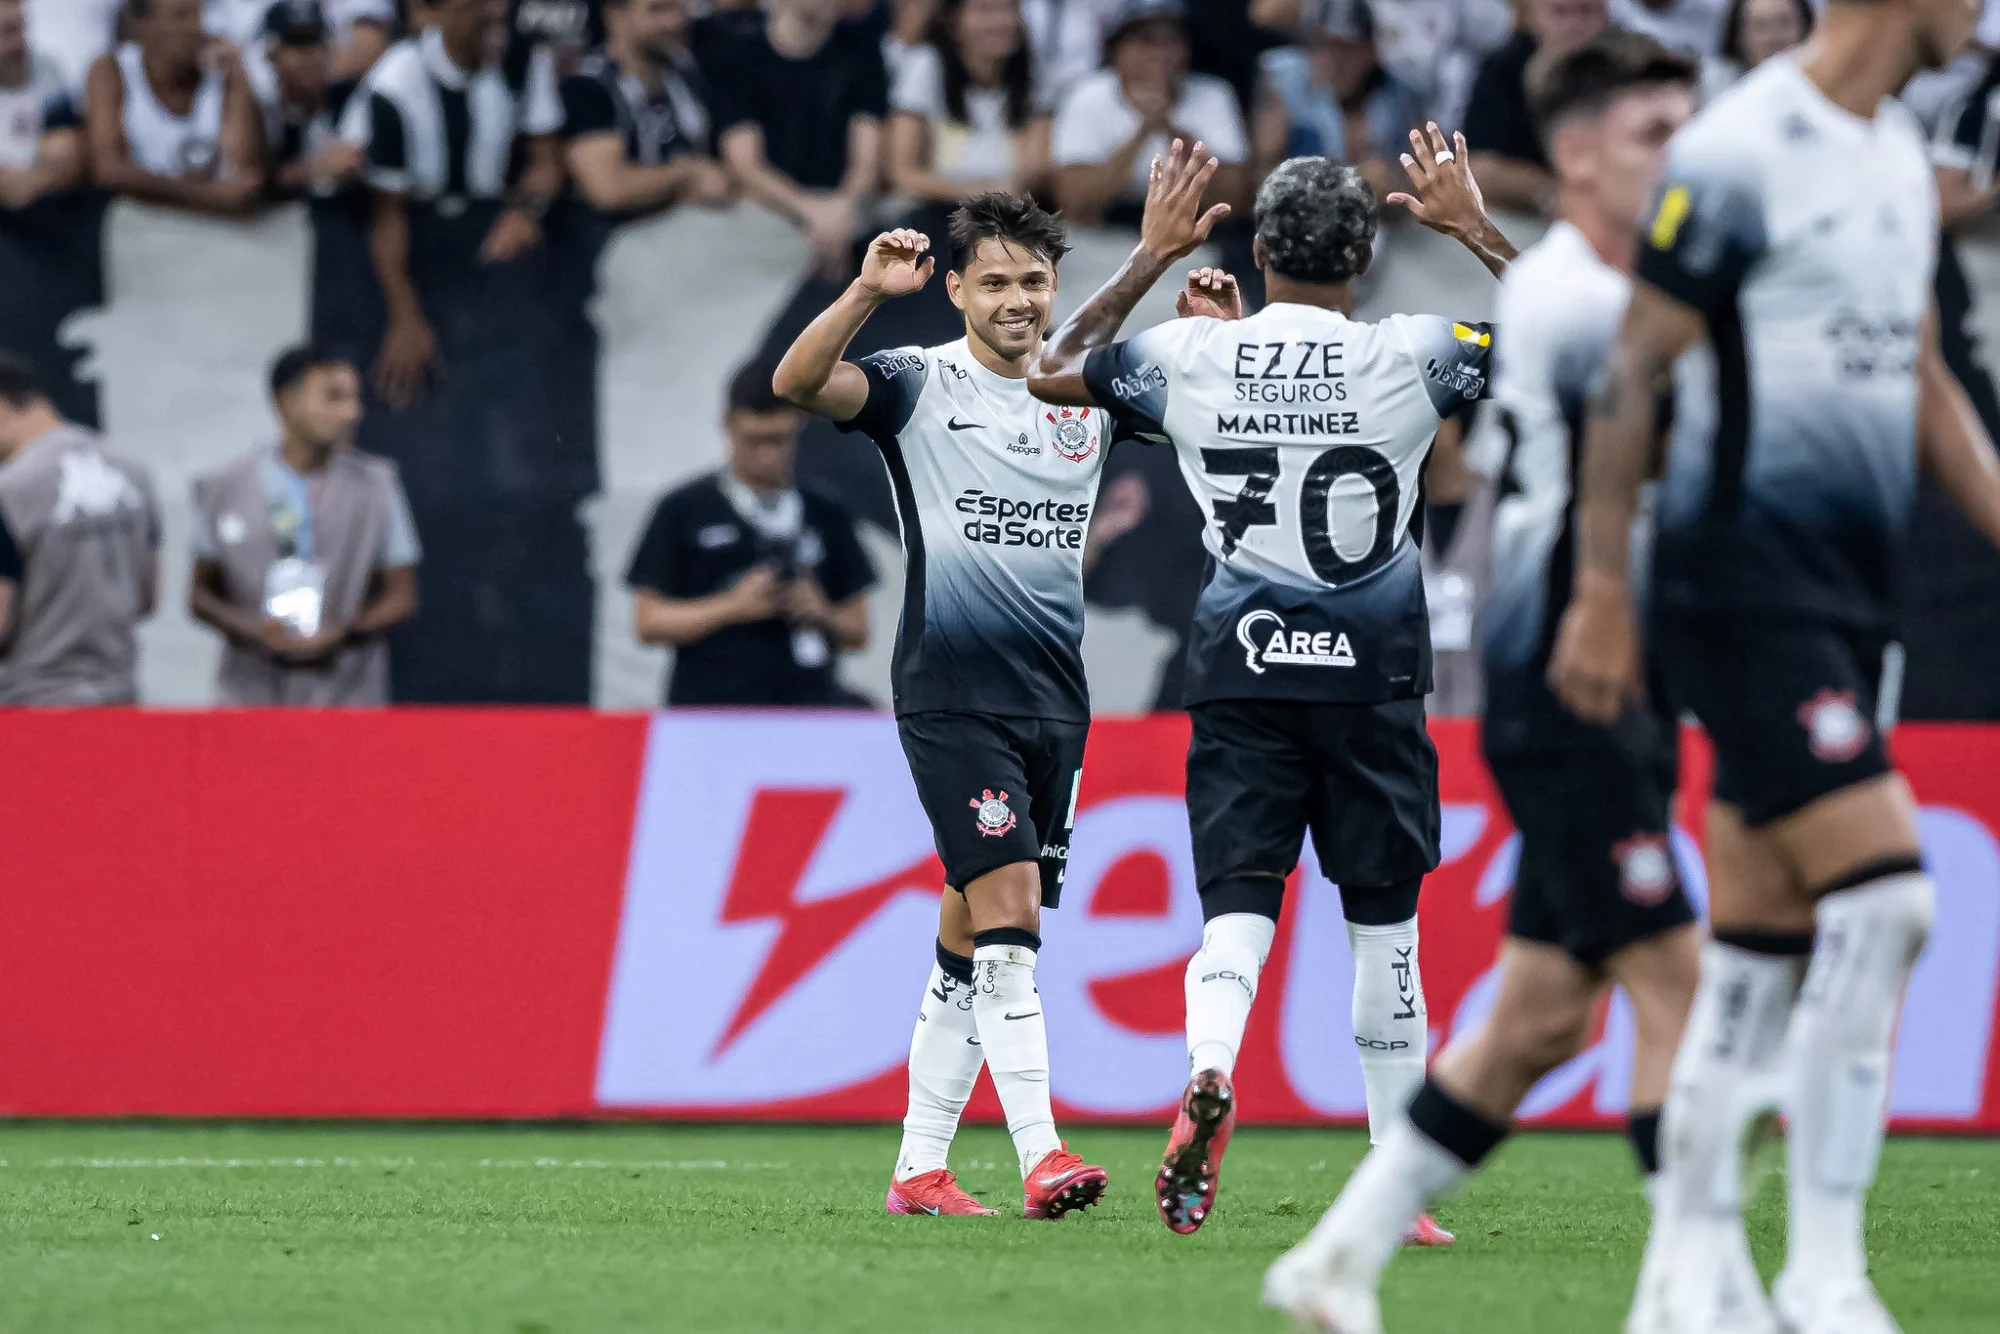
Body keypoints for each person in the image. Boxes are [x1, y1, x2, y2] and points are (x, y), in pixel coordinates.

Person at [1546, 0, 2000, 1328]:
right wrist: (1604, 586)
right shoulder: (1741, 146)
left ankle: (1681, 1287)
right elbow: (1634, 370)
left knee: (1752, 964)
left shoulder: (1900, 152)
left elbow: (1920, 376)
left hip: (1853, 597)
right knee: (1890, 901)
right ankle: (1823, 1273)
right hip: (1739, 583)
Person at [1254, 34, 1704, 1333]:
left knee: (1540, 1020)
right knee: (1683, 988)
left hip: (1602, 665)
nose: (1682, 158)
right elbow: (1630, 369)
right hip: (1567, 665)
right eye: (1653, 132)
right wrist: (1486, 233)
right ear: (1578, 155)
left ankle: (1334, 1258)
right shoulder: (1571, 293)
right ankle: (1691, 1296)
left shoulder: (1590, 285)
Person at [1028, 133, 1515, 1244]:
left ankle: (1207, 1067)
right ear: (1365, 255)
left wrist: (1149, 256)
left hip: (1238, 670)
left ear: (1253, 245)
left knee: (1238, 908)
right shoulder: (1414, 349)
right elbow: (1585, 341)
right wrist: (1470, 226)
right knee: (1383, 930)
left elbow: (1051, 365)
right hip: (1372, 679)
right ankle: (1398, 1186)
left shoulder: (1191, 357)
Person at [772, 193, 1113, 1221]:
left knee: (971, 931)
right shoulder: (920, 379)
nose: (1017, 299)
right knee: (1009, 914)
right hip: (950, 691)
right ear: (957, 287)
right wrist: (868, 292)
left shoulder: (1085, 391)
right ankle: (1041, 1150)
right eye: (996, 281)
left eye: (1034, 281)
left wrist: (1192, 307)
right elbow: (792, 383)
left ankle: (918, 1168)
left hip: (1056, 701)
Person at [341, 0, 565, 408]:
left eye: (499, 11)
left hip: (492, 215)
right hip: (419, 221)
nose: (493, 17)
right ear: (432, 15)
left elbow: (545, 161)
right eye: (476, 9)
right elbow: (387, 212)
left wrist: (524, 210)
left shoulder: (522, 59)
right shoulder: (393, 86)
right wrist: (404, 314)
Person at [627, 362, 875, 707]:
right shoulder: (683, 509)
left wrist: (819, 612)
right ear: (728, 425)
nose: (767, 455)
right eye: (754, 440)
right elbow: (648, 623)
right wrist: (733, 606)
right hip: (708, 711)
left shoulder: (826, 511)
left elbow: (858, 631)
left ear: (797, 425)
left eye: (778, 440)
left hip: (809, 710)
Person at [189, 346, 421, 706]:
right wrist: (253, 631)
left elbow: (401, 596)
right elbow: (201, 595)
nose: (352, 412)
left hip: (348, 696)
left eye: (355, 398)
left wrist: (344, 633)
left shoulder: (377, 485)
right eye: (333, 397)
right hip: (250, 696)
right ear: (286, 402)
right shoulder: (225, 487)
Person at [0, 353, 160, 706]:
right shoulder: (134, 473)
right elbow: (147, 598)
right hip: (119, 696)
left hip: (31, 703)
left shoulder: (9, 491)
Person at [709, 0, 888, 280]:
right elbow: (745, 164)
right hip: (769, 213)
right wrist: (812, 211)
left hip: (843, 209)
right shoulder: (738, 55)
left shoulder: (862, 49)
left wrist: (841, 209)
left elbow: (866, 163)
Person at [1049, 0, 1249, 227]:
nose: (1160, 53)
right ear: (1117, 48)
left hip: (1190, 232)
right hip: (1106, 232)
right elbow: (1074, 204)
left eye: (1172, 40)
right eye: (1147, 40)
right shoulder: (1086, 95)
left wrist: (1169, 129)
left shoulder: (1214, 94)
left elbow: (1233, 201)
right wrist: (1144, 130)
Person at [83, 0, 264, 215]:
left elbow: (243, 180)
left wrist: (237, 73)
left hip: (213, 227)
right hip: (141, 224)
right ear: (144, 26)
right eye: (180, 16)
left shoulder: (225, 76)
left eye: (197, 16)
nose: (194, 28)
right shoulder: (112, 72)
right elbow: (108, 170)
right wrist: (206, 193)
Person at [559, 0, 731, 218]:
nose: (675, 22)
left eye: (680, 9)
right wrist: (687, 173)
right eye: (658, 9)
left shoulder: (688, 75)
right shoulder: (589, 85)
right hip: (621, 236)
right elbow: (608, 189)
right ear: (616, 15)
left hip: (693, 220)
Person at [1259, 0, 1429, 201]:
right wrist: (1343, 184)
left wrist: (1395, 184)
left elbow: (1427, 181)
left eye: (1347, 49)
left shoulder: (1401, 94)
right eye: (1326, 46)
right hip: (1303, 221)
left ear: (1370, 51)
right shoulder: (1284, 81)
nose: (1336, 61)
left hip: (1382, 224)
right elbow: (1261, 179)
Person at [887, 0, 1050, 204]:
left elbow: (1037, 169)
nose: (1001, 21)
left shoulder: (1033, 73)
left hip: (1008, 213)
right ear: (954, 21)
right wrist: (974, 191)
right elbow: (902, 173)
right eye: (985, 10)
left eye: (1010, 9)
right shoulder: (927, 65)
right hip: (937, 208)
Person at [1462, 0, 1609, 215]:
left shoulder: (1634, 66)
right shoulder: (1504, 70)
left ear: (1606, 13)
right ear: (1531, 18)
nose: (1574, 26)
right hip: (1531, 215)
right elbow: (1479, 170)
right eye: (1561, 13)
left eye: (1586, 12)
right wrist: (1558, 194)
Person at [252, 0, 365, 200]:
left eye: (316, 41)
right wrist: (311, 169)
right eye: (296, 44)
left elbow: (354, 161)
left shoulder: (350, 97)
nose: (310, 55)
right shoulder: (263, 108)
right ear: (271, 54)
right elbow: (255, 180)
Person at [0, 0, 83, 208]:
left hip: (43, 207)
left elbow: (66, 148)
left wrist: (29, 181)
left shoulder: (46, 69)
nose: (19, 43)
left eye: (21, 28)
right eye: (7, 32)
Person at [206, 0, 395, 82]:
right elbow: (214, 57)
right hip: (256, 103)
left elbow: (369, 48)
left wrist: (305, 66)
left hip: (331, 99)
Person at [1701, 0, 1813, 98]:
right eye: (1760, 26)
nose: (1773, 38)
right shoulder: (1719, 90)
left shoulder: (1822, 90)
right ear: (1740, 37)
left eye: (1784, 23)